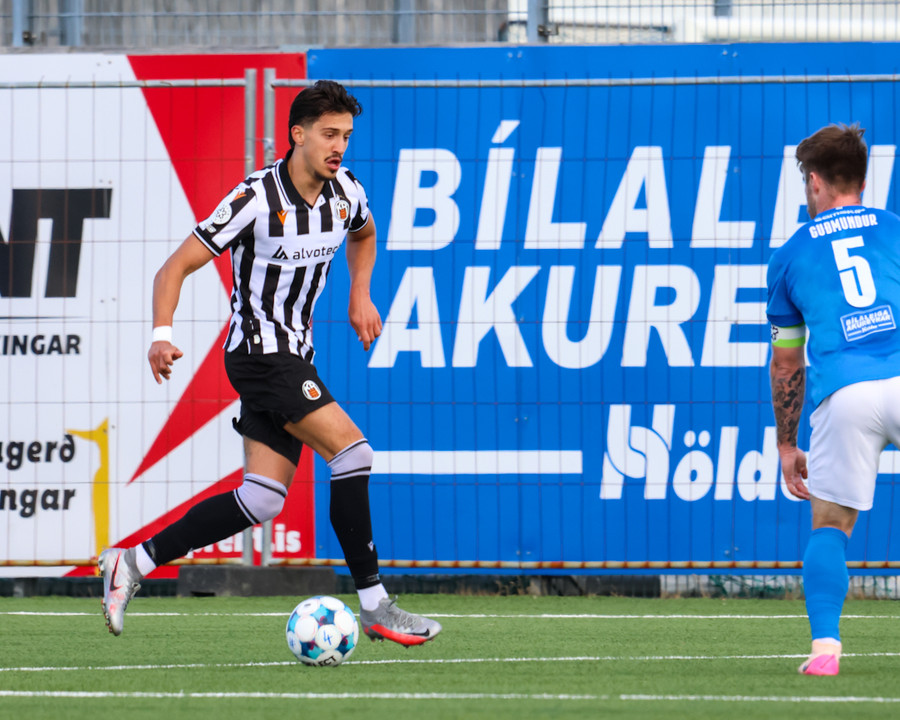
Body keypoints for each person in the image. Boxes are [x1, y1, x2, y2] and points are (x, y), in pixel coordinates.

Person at [98, 80, 441, 648]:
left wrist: (360, 294)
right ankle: (376, 605)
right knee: (353, 453)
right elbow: (172, 269)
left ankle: (132, 562)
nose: (339, 146)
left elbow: (365, 234)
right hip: (260, 354)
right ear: (297, 134)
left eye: (346, 136)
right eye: (329, 134)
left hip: (295, 354)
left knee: (261, 497)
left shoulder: (346, 192)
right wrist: (161, 335)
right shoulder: (255, 198)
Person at [767, 123, 900, 676]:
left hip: (844, 396)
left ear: (815, 182)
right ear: (862, 182)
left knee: (830, 525)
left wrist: (786, 445)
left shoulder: (790, 255)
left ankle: (825, 651)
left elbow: (787, 364)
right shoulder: (894, 229)